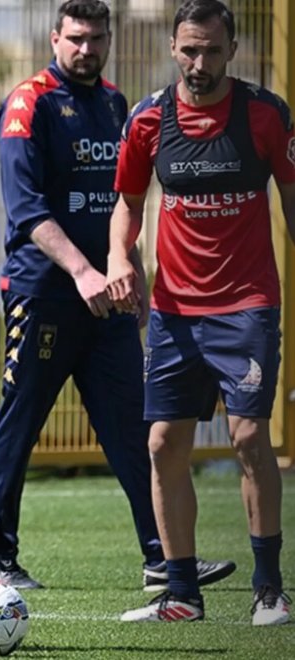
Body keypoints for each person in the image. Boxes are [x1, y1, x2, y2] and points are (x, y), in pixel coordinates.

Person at [0, 0, 234, 593]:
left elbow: (127, 203)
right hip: (44, 296)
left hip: (110, 301)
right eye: (76, 39)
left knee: (135, 428)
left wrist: (131, 272)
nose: (87, 49)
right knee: (19, 426)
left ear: (110, 39)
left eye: (97, 38)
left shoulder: (116, 103)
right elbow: (27, 211)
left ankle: (162, 558)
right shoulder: (29, 103)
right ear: (55, 38)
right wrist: (81, 272)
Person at [107, 0, 293, 626]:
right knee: (163, 444)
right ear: (171, 47)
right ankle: (181, 594)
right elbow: (128, 205)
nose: (200, 63)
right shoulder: (148, 120)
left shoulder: (266, 115)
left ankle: (269, 588)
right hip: (173, 312)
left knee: (247, 437)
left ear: (231, 50)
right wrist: (118, 258)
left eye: (212, 51)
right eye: (189, 49)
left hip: (246, 307)